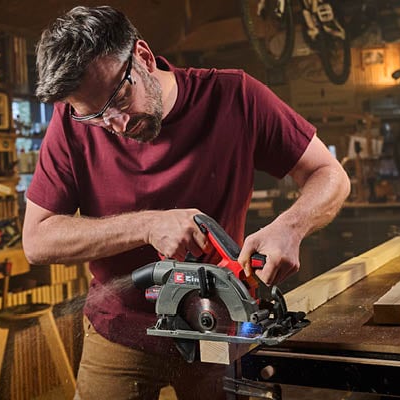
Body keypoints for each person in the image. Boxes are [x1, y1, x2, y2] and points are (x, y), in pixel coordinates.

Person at [23, 5, 350, 399]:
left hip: (221, 327)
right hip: (119, 331)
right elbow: (37, 241)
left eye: (121, 97)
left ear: (143, 56)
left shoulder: (234, 96)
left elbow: (329, 174)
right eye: (95, 116)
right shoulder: (69, 120)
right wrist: (147, 225)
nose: (117, 125)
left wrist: (290, 227)